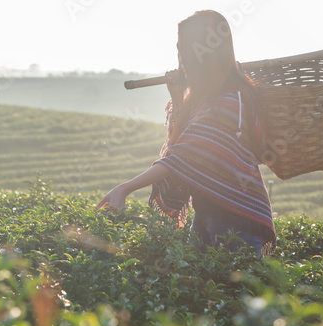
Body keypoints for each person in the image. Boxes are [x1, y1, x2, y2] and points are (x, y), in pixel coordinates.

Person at [96, 10, 275, 258]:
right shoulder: (204, 100)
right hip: (206, 219)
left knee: (236, 293)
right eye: (179, 52)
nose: (182, 61)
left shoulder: (231, 100)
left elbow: (184, 156)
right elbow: (178, 144)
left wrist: (125, 188)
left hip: (240, 226)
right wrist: (178, 99)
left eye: (187, 53)